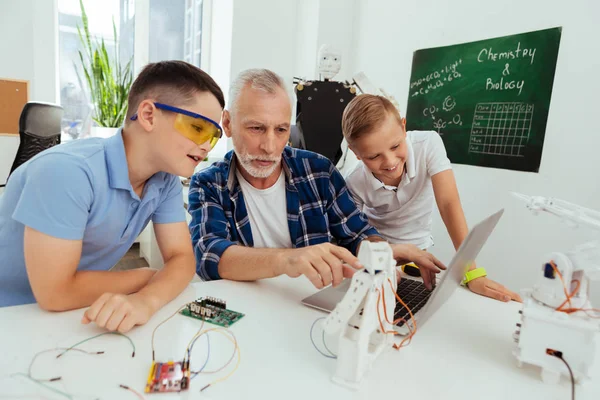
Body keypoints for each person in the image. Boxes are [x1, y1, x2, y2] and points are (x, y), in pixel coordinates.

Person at [0, 60, 225, 332]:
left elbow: (182, 259)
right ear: (148, 115)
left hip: (76, 315)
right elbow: (55, 293)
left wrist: (147, 300)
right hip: (15, 317)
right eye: (197, 128)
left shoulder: (164, 181)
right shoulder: (67, 172)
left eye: (213, 136)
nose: (204, 145)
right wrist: (147, 277)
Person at [188, 69, 445, 290]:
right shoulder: (209, 184)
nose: (269, 146)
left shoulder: (318, 171)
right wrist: (289, 260)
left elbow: (358, 235)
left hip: (309, 308)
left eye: (281, 129)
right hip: (249, 311)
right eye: (256, 128)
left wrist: (381, 253)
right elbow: (210, 257)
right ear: (228, 123)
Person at [341, 94, 521, 302]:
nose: (390, 162)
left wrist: (471, 271)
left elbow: (448, 203)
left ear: (403, 126)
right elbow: (351, 235)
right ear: (355, 153)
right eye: (373, 156)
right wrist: (380, 261)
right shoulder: (353, 180)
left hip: (419, 256)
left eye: (395, 146)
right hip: (379, 257)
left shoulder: (428, 144)